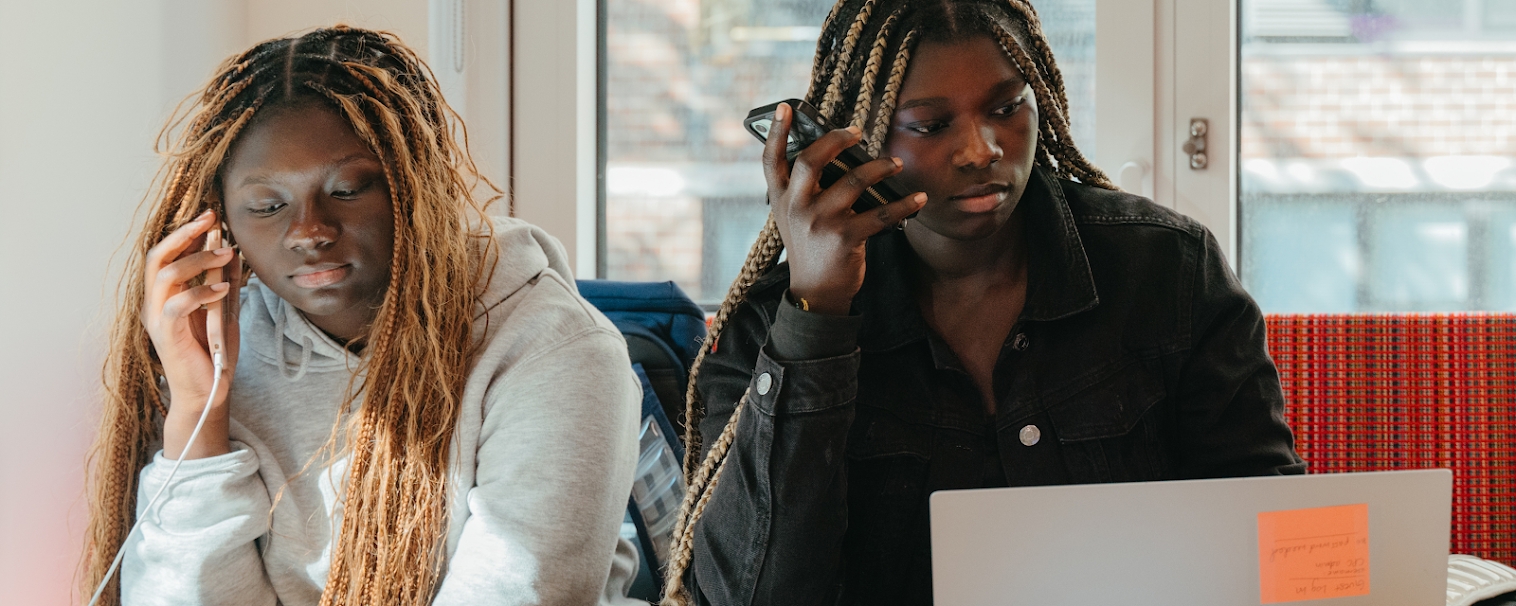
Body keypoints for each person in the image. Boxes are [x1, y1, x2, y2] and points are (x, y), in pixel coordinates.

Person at [661, 1, 1305, 604]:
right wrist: (818, 316)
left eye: (1005, 108)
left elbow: (1271, 537)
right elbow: (751, 594)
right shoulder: (774, 327)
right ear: (856, 139)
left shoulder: (1166, 270)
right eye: (931, 125)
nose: (980, 150)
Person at [81, 26, 643, 606]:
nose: (308, 231)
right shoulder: (220, 344)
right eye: (267, 206)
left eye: (348, 189)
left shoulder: (559, 351)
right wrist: (198, 412)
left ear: (418, 186)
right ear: (221, 224)